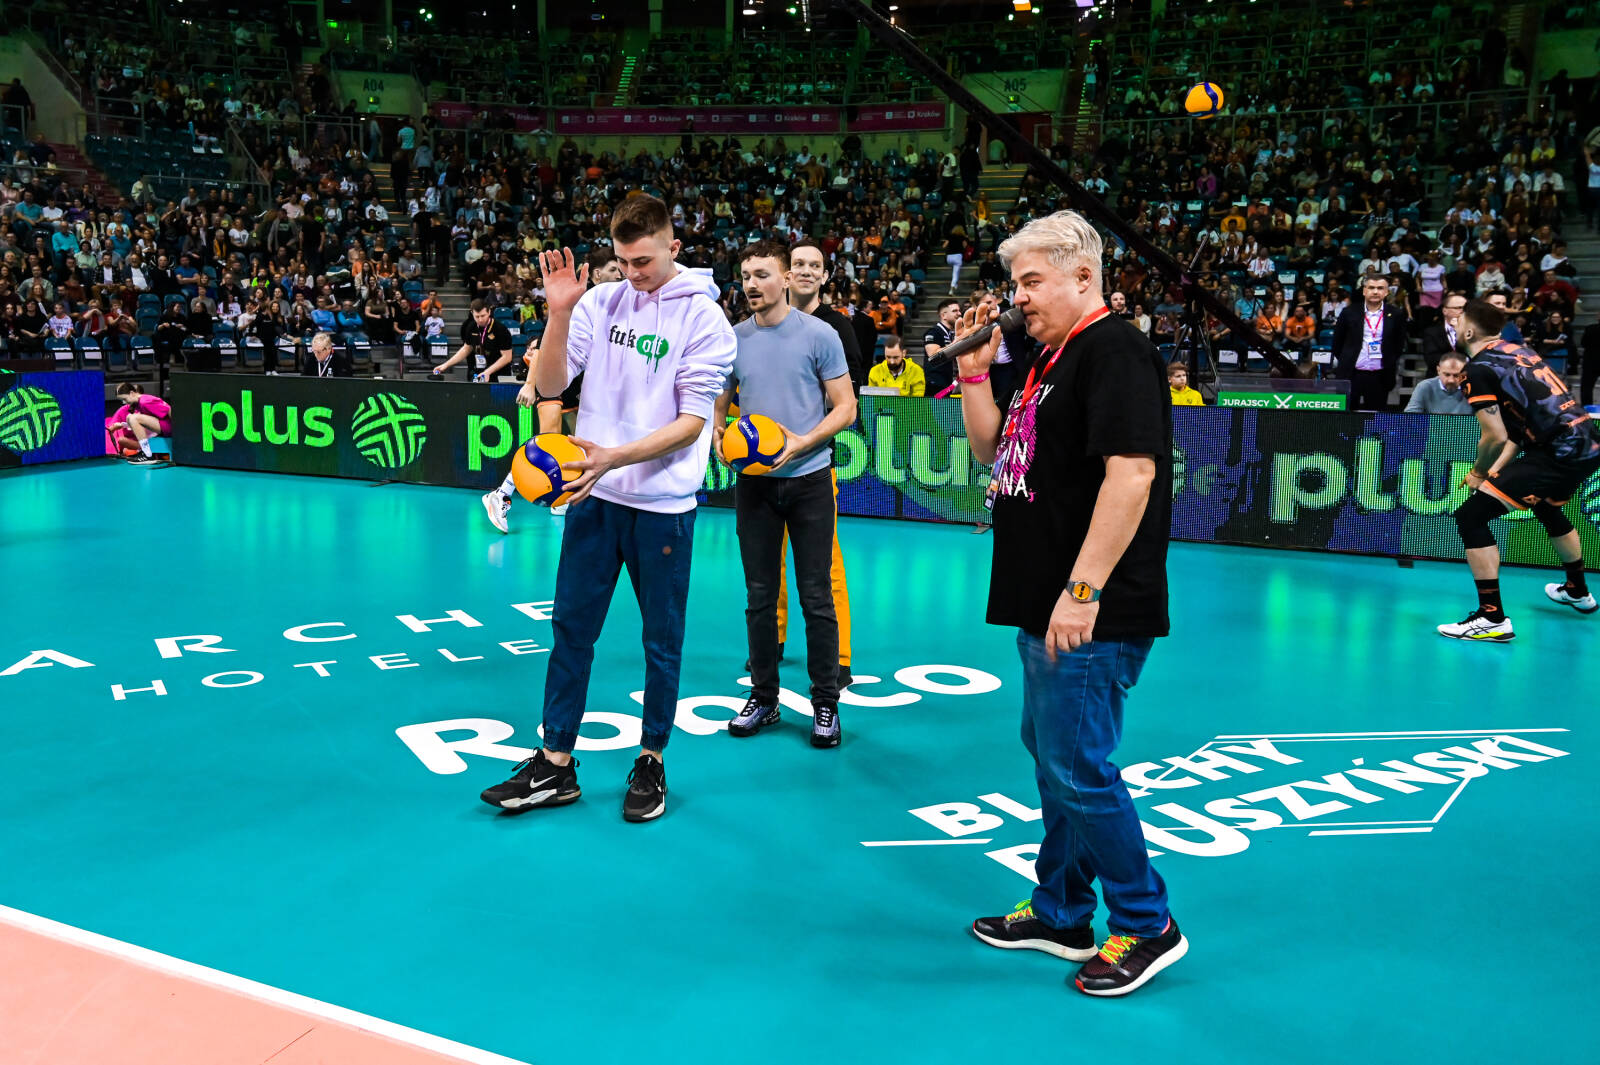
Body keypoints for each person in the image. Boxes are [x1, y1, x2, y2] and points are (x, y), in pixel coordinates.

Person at [955, 210, 1185, 997]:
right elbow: (991, 449)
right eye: (1015, 282)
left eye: (1031, 281)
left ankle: (1147, 922)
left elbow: (1133, 474)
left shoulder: (1114, 350)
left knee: (1079, 766)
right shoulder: (1046, 356)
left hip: (1091, 607)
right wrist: (974, 373)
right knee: (1054, 756)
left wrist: (1083, 590)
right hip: (1043, 600)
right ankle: (1060, 910)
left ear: (1083, 275)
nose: (1017, 297)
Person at [479, 194, 736, 823]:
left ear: (674, 247)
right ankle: (555, 765)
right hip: (593, 501)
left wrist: (612, 458)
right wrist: (559, 313)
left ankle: (651, 760)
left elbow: (691, 424)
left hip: (662, 507)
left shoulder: (706, 320)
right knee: (571, 628)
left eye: (644, 261)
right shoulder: (599, 302)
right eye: (623, 262)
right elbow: (550, 383)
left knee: (661, 641)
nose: (633, 273)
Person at [714, 241, 857, 747]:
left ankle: (825, 701)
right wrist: (718, 434)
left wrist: (802, 442)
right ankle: (764, 697)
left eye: (762, 275)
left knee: (816, 596)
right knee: (759, 595)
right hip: (755, 485)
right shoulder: (733, 339)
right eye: (745, 276)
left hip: (810, 481)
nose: (751, 284)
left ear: (785, 279)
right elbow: (721, 397)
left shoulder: (820, 335)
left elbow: (846, 407)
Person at [1439, 299, 1600, 642]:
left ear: (1470, 331)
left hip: (1557, 452)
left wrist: (1479, 472)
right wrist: (1493, 473)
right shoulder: (1517, 351)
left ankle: (1491, 618)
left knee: (1470, 517)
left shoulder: (1477, 369)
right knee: (1546, 507)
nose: (1454, 326)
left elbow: (1494, 436)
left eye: (1458, 321)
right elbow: (1515, 436)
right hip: (1588, 443)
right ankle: (1576, 589)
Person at [482, 248, 622, 532]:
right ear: (596, 275)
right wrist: (530, 384)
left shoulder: (610, 306)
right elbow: (542, 347)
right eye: (613, 270)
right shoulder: (577, 301)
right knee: (547, 444)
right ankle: (500, 494)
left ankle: (560, 500)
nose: (620, 275)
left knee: (578, 443)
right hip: (553, 384)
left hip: (574, 385)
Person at [1331, 274, 1406, 410]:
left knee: (1375, 416)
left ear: (1386, 292)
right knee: (1346, 415)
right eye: (1371, 287)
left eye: (1380, 288)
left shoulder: (1396, 314)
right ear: (1364, 291)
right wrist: (1346, 359)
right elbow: (1337, 343)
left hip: (1380, 375)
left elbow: (1399, 344)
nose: (1375, 291)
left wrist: (1389, 360)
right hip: (1351, 373)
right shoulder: (1349, 312)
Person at [431, 299, 513, 381]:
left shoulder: (500, 329)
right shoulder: (471, 327)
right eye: (477, 316)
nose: (480, 320)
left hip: (500, 374)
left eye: (483, 316)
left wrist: (488, 372)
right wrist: (446, 365)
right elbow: (466, 349)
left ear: (489, 312)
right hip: (480, 372)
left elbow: (507, 357)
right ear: (472, 313)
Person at [108, 382, 172, 464]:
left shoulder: (145, 401)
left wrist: (179, 432)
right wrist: (122, 425)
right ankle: (145, 452)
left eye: (125, 399)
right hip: (163, 426)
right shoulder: (139, 404)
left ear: (131, 393)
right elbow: (146, 422)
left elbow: (169, 409)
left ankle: (147, 455)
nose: (124, 402)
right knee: (129, 417)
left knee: (133, 417)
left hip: (169, 428)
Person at [1404, 354, 1472, 414]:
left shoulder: (1473, 387)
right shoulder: (1425, 386)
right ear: (1438, 370)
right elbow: (1410, 417)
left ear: (1465, 373)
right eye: (1447, 375)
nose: (1451, 380)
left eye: (1456, 376)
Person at [1421, 292, 1468, 377]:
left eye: (1465, 308)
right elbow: (1431, 359)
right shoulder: (1432, 332)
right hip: (1439, 378)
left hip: (1467, 377)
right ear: (1445, 311)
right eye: (1458, 308)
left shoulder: (1473, 331)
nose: (1462, 311)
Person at [922, 298, 960, 397]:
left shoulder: (952, 333)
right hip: (935, 384)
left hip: (947, 382)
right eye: (954, 311)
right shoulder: (934, 332)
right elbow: (933, 354)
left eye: (959, 310)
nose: (959, 313)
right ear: (943, 315)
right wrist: (956, 343)